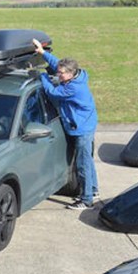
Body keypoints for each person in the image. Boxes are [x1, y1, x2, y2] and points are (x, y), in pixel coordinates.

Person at [32, 39, 99, 210]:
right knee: (88, 160)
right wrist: (42, 53)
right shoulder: (74, 77)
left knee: (82, 163)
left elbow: (52, 92)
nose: (58, 75)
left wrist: (43, 76)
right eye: (59, 72)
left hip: (82, 128)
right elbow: (57, 64)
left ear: (71, 73)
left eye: (61, 74)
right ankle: (93, 189)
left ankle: (86, 200)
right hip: (87, 123)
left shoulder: (73, 88)